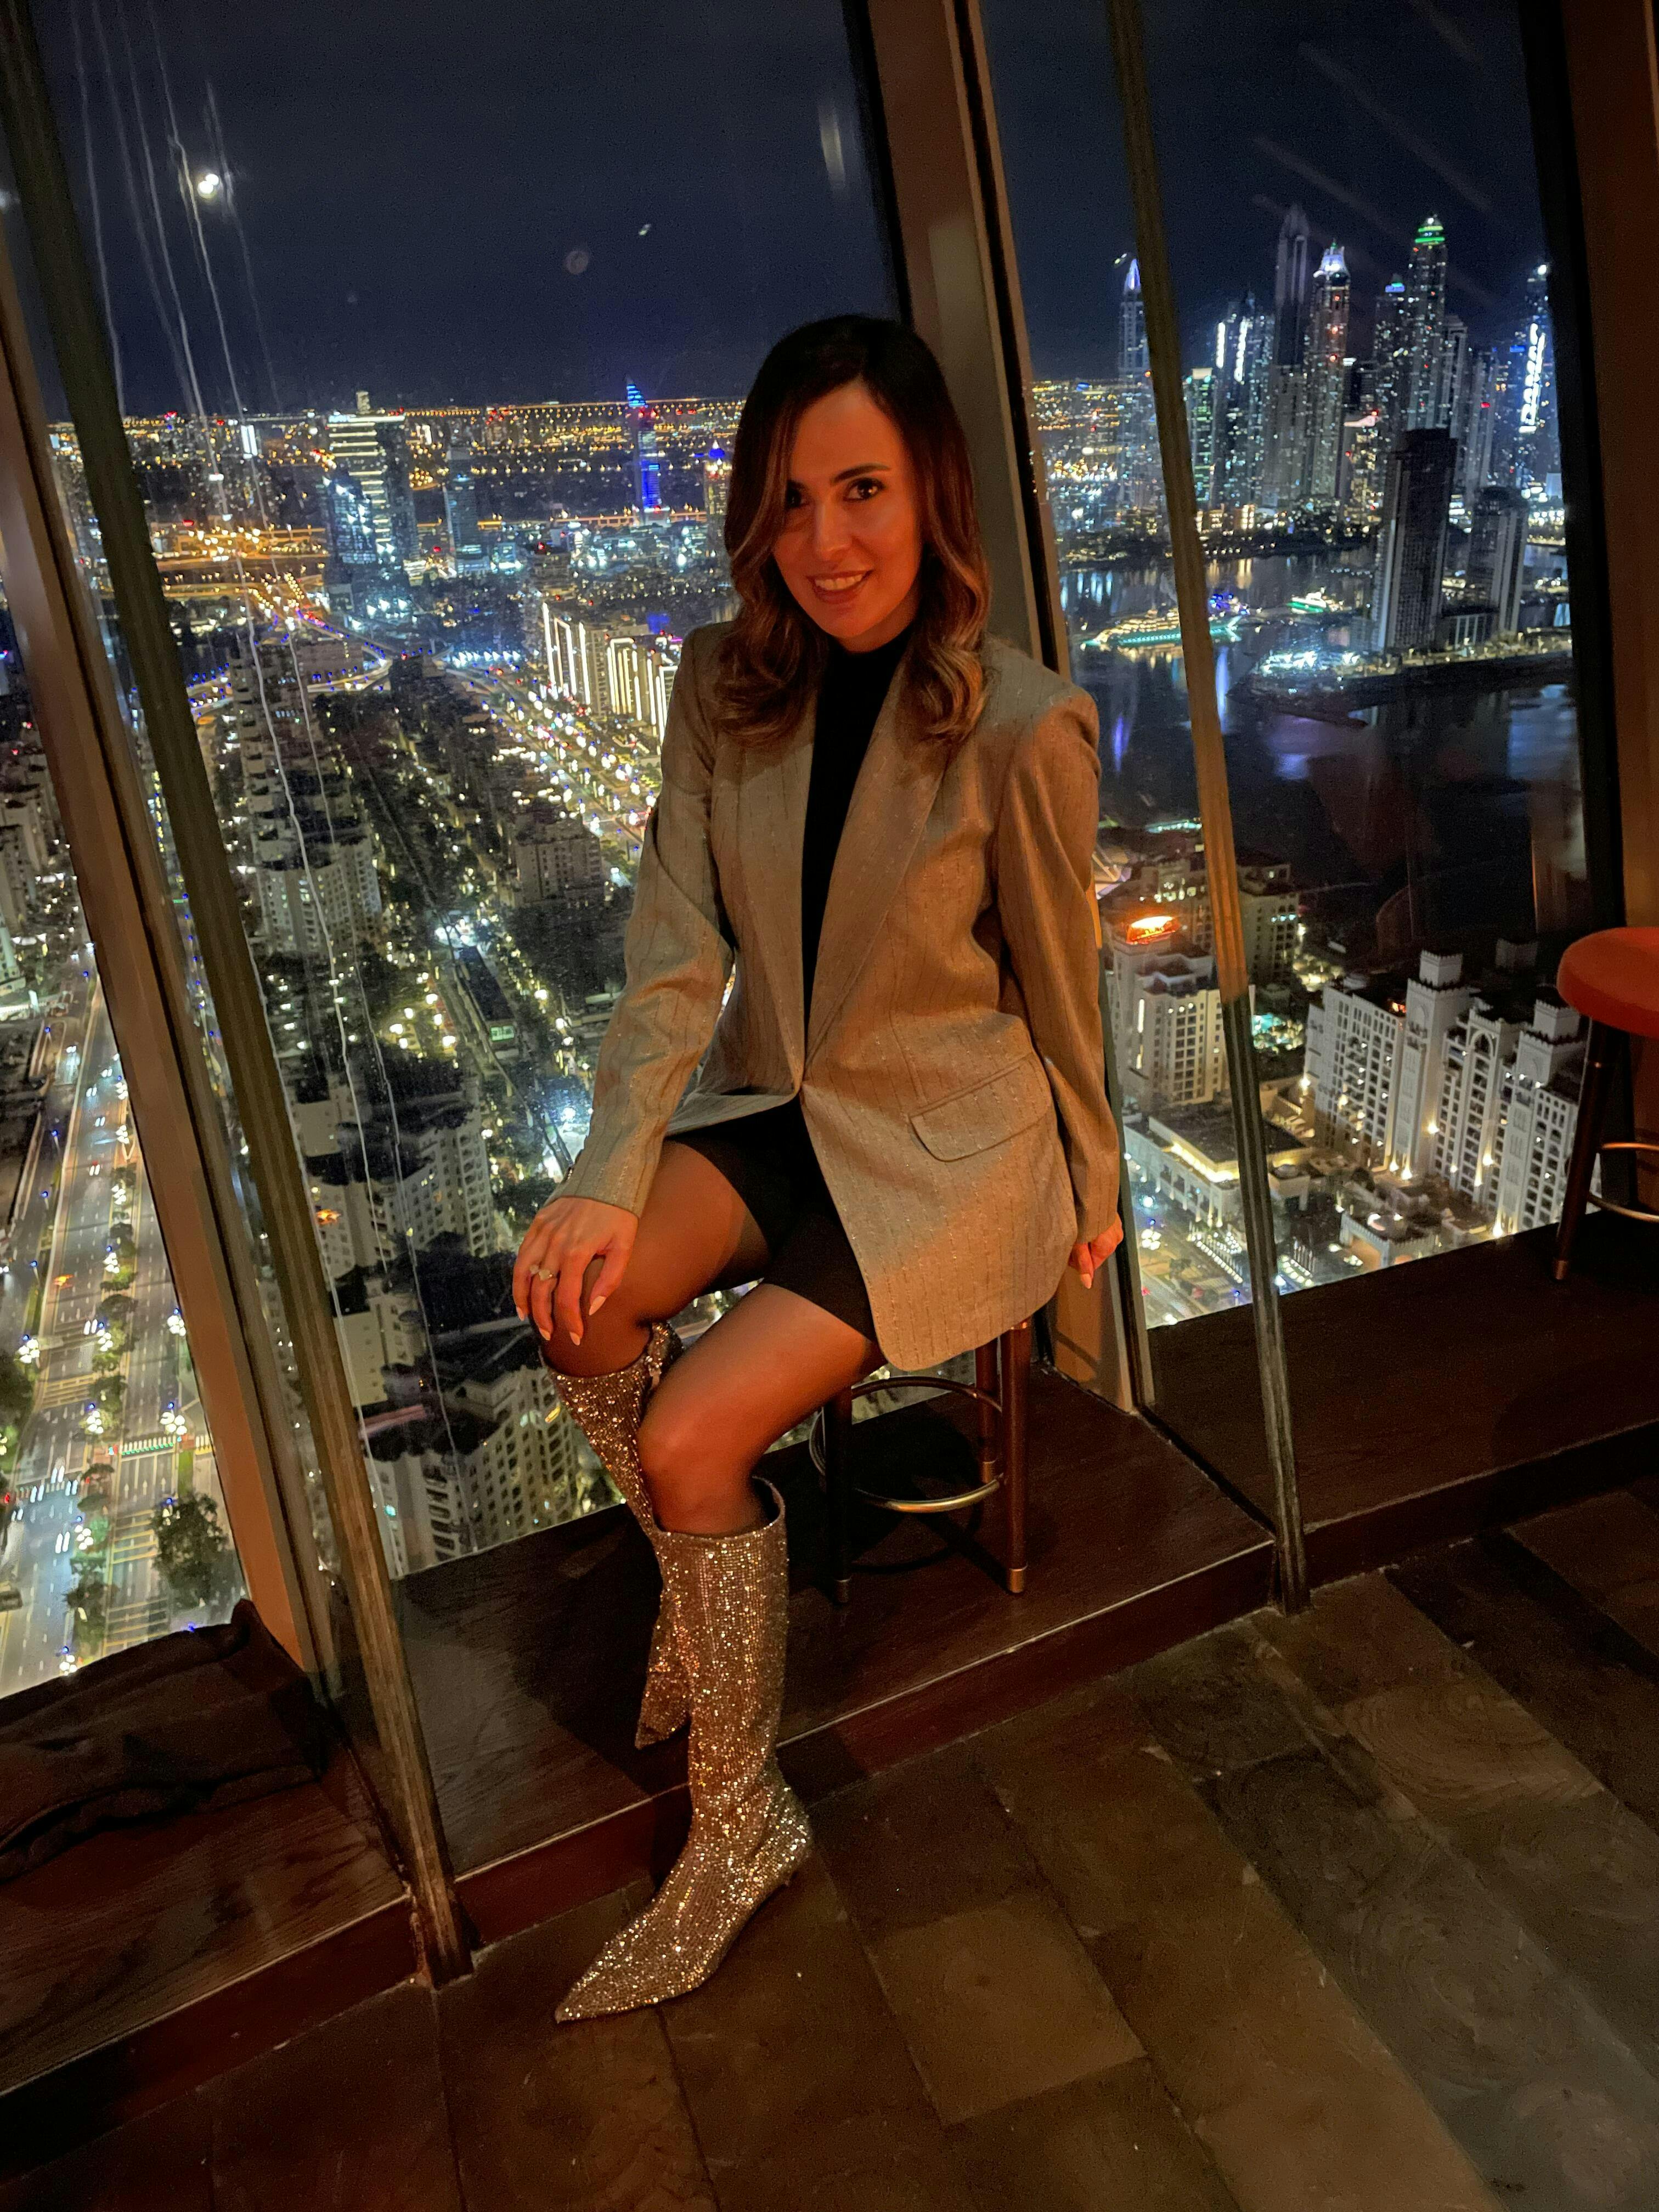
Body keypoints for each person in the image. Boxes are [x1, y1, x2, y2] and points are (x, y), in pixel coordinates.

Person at [514, 314, 1122, 2021]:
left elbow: (1064, 981)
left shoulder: (1022, 723)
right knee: (577, 1298)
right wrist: (605, 1168)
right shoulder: (726, 684)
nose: (827, 539)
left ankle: (739, 1825)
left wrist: (1098, 1180)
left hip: (945, 1146)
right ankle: (699, 1589)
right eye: (790, 500)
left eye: (862, 490)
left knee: (695, 1431)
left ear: (933, 494)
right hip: (785, 1103)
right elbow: (675, 953)